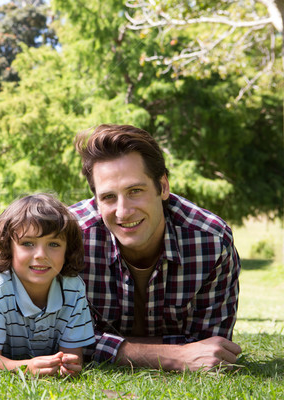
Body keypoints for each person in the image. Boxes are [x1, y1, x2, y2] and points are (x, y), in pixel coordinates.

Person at [69, 124, 242, 371]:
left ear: (163, 187)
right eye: (108, 197)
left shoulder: (211, 241)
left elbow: (211, 350)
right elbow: (52, 339)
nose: (123, 211)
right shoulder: (68, 239)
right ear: (95, 200)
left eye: (135, 191)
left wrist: (99, 343)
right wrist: (174, 355)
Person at [0, 194, 96, 376]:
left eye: (54, 244)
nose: (41, 254)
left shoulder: (73, 288)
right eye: (28, 243)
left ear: (68, 249)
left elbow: (73, 355)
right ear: (9, 247)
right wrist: (27, 368)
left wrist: (66, 365)